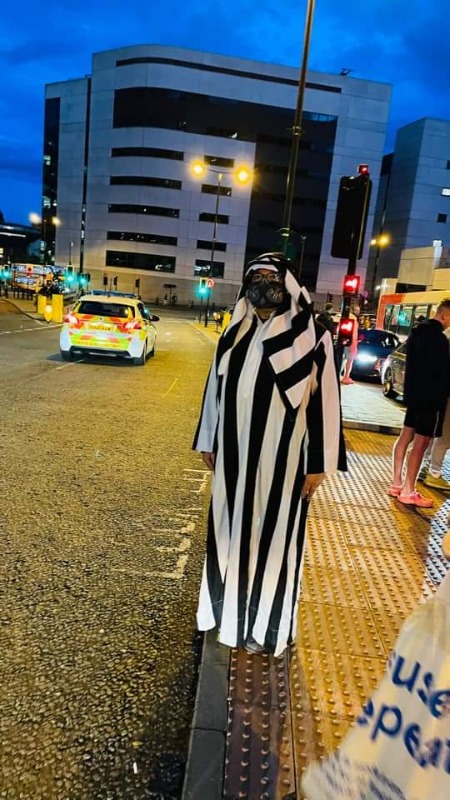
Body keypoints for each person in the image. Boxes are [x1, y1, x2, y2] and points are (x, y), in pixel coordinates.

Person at [193, 252, 346, 657]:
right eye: (255, 277)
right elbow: (214, 390)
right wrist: (208, 438)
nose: (263, 285)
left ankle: (267, 626)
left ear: (288, 285)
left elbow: (326, 404)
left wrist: (318, 465)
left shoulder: (314, 337)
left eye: (271, 277)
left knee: (274, 541)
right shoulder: (234, 333)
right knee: (228, 532)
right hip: (234, 457)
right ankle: (226, 617)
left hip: (286, 463)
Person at [389, 299, 450, 507]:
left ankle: (397, 483)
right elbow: (442, 373)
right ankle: (408, 490)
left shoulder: (417, 332)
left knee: (405, 437)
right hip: (431, 399)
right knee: (421, 444)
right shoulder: (439, 339)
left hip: (414, 396)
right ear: (445, 315)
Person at [340, 306, 359, 385]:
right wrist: (354, 343)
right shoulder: (353, 318)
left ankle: (338, 374)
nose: (358, 312)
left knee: (342, 359)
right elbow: (354, 333)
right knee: (349, 361)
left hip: (343, 341)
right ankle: (346, 376)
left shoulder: (343, 316)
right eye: (357, 310)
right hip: (351, 342)